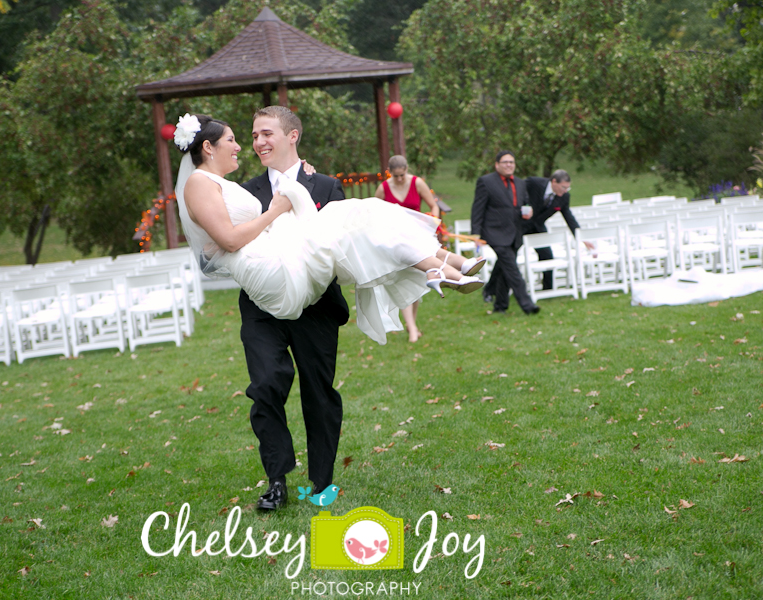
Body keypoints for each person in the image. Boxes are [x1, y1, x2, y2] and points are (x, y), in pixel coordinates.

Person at [174, 111, 484, 510]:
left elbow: (349, 251)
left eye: (265, 133)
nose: (256, 143)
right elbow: (222, 237)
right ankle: (277, 481)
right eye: (251, 136)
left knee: (319, 393)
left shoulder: (324, 184)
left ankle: (321, 482)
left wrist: (301, 194)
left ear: (292, 136)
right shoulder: (242, 189)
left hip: (316, 305)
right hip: (264, 304)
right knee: (266, 385)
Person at [374, 155, 452, 342]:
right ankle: (412, 329)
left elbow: (433, 205)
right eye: (396, 176)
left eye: (402, 175)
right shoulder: (383, 188)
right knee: (403, 280)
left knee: (415, 280)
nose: (400, 179)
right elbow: (374, 213)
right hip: (395, 241)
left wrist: (432, 222)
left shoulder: (417, 183)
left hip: (417, 237)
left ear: (407, 169)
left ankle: (412, 325)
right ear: (390, 172)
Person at [471, 150, 540, 315]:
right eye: (505, 162)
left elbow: (524, 203)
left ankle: (500, 306)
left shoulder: (520, 183)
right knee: (512, 269)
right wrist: (476, 234)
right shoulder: (486, 182)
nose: (509, 165)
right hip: (495, 232)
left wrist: (528, 212)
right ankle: (527, 304)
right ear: (497, 165)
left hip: (515, 231)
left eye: (512, 162)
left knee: (503, 269)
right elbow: (477, 208)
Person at [524, 170, 595, 290]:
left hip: (538, 227)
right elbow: (517, 190)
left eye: (568, 187)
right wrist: (524, 206)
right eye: (563, 187)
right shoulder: (534, 183)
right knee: (508, 257)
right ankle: (492, 289)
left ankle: (548, 289)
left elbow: (569, 218)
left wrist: (581, 238)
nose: (565, 190)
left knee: (547, 256)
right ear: (554, 182)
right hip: (520, 224)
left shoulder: (564, 197)